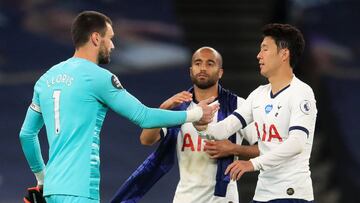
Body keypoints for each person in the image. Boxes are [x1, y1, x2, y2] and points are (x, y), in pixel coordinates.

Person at [19, 11, 218, 203]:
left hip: (52, 191)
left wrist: (42, 178)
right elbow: (144, 117)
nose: (113, 45)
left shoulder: (46, 79)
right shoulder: (99, 77)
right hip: (78, 189)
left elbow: (27, 135)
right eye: (110, 38)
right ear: (96, 38)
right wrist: (196, 113)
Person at [111, 47, 259, 203]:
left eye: (210, 63)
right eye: (198, 63)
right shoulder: (180, 108)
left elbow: (266, 148)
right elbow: (146, 139)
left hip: (223, 199)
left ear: (220, 72)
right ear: (191, 71)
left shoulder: (238, 105)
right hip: (185, 198)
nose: (202, 68)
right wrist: (164, 107)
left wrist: (234, 149)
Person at [194, 24, 317, 203]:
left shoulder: (302, 93)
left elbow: (297, 143)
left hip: (291, 194)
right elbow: (224, 129)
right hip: (263, 194)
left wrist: (252, 163)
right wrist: (201, 124)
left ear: (284, 54)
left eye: (265, 49)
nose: (258, 55)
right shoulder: (258, 94)